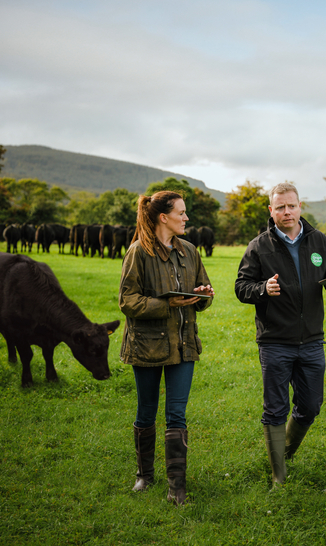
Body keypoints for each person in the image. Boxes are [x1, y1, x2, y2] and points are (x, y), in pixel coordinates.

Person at [235, 182, 326, 486]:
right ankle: (278, 474)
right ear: (271, 211)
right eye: (280, 207)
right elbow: (241, 287)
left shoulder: (319, 241)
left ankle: (284, 452)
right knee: (276, 408)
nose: (286, 211)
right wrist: (262, 289)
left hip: (311, 339)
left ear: (300, 207)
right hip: (275, 341)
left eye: (291, 205)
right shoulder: (259, 246)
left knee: (311, 406)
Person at [119, 190, 214, 505]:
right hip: (146, 347)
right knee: (146, 412)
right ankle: (144, 476)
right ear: (164, 217)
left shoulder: (190, 251)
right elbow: (128, 301)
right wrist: (166, 303)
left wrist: (202, 294)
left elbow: (204, 293)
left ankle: (177, 488)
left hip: (184, 345)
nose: (186, 218)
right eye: (182, 213)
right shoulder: (138, 253)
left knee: (177, 414)